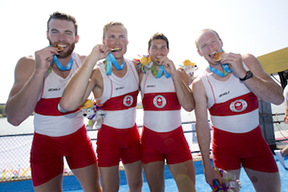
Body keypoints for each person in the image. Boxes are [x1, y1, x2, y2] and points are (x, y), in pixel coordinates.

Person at [4, 12, 102, 192]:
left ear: (76, 38)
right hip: (45, 145)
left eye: (68, 33)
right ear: (47, 34)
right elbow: (13, 119)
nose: (61, 38)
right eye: (55, 32)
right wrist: (39, 72)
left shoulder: (83, 62)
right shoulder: (29, 63)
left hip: (78, 140)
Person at [192, 29, 284, 191]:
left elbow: (278, 98)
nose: (211, 48)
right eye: (204, 46)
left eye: (213, 41)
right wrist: (207, 167)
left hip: (256, 146)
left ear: (221, 41)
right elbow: (201, 126)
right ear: (199, 53)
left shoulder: (246, 61)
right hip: (224, 152)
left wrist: (242, 72)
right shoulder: (200, 83)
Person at [59, 22, 143, 192]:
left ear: (127, 41)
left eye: (121, 37)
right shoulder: (97, 71)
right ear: (103, 42)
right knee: (111, 189)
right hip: (109, 139)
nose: (117, 41)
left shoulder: (136, 67)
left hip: (132, 136)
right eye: (112, 37)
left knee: (137, 185)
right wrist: (90, 60)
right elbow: (70, 104)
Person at [138, 33, 196, 192]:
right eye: (154, 47)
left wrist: (175, 74)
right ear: (148, 51)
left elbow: (189, 106)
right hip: (150, 143)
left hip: (176, 141)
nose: (159, 51)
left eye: (163, 47)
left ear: (168, 50)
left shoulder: (180, 74)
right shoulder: (142, 74)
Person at [275, 73, 288, 168]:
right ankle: (282, 153)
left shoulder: (286, 88)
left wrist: (286, 114)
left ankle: (282, 153)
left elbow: (285, 103)